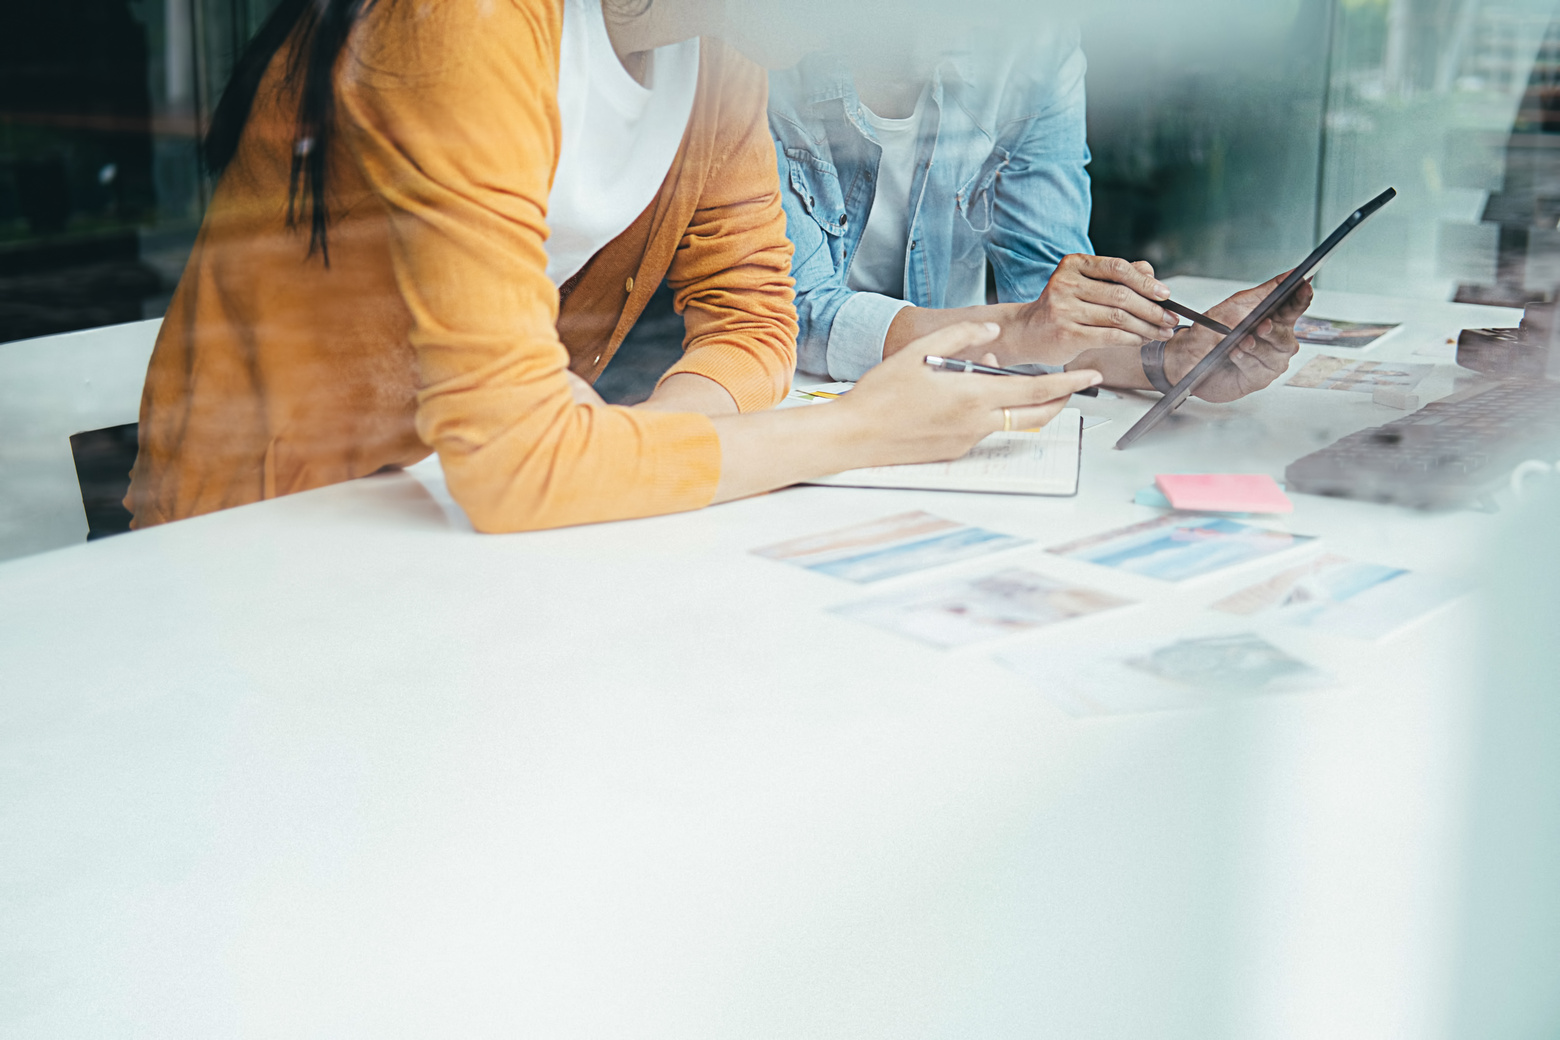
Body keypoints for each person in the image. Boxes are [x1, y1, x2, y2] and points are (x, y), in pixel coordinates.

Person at [126, 0, 1101, 534]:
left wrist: (635, 459)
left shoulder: (722, 53)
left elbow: (755, 315)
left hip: (462, 519)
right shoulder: (462, 24)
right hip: (263, 535)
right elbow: (513, 465)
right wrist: (852, 434)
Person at [768, 27, 1313, 396]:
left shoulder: (1033, 49)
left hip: (958, 389)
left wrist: (1170, 361)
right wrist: (1018, 328)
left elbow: (1046, 312)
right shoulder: (765, 51)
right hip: (783, 403)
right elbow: (787, 319)